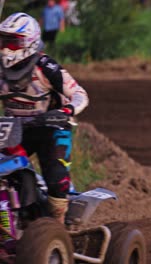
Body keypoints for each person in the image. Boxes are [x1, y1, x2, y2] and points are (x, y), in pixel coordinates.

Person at [0, 13, 89, 224]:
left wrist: (66, 112)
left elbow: (80, 95)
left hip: (52, 128)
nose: (6, 48)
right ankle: (16, 219)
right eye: (3, 41)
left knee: (56, 181)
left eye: (13, 43)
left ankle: (59, 229)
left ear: (29, 42)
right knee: (6, 173)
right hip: (15, 130)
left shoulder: (45, 66)